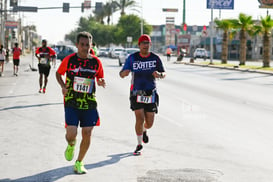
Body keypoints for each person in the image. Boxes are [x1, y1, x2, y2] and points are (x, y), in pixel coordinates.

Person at [56, 31, 106, 174]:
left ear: (91, 45)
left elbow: (100, 77)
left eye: (87, 45)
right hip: (71, 101)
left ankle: (79, 162)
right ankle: (71, 144)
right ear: (77, 45)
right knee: (71, 134)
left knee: (88, 133)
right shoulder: (69, 60)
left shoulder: (96, 62)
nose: (85, 48)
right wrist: (63, 86)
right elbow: (58, 73)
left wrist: (101, 81)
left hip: (89, 103)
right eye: (82, 45)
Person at [119, 34, 166, 155]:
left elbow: (163, 72)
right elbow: (122, 73)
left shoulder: (155, 58)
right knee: (139, 118)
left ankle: (144, 130)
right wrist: (125, 73)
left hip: (151, 92)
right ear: (139, 45)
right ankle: (139, 144)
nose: (145, 45)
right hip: (136, 92)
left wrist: (159, 75)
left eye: (148, 43)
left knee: (149, 123)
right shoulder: (132, 58)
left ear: (150, 45)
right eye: (143, 43)